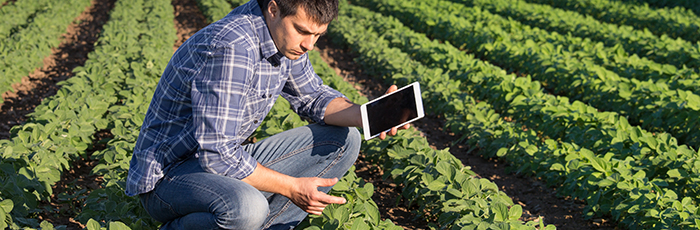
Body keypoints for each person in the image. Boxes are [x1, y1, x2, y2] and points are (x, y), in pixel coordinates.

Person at [125, 0, 408, 229]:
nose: (310, 44)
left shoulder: (283, 37)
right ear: (273, 9)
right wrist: (292, 187)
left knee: (344, 139)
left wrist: (369, 113)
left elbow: (312, 97)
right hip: (169, 179)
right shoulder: (233, 47)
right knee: (247, 207)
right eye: (302, 31)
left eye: (317, 35)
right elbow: (217, 155)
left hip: (219, 163)